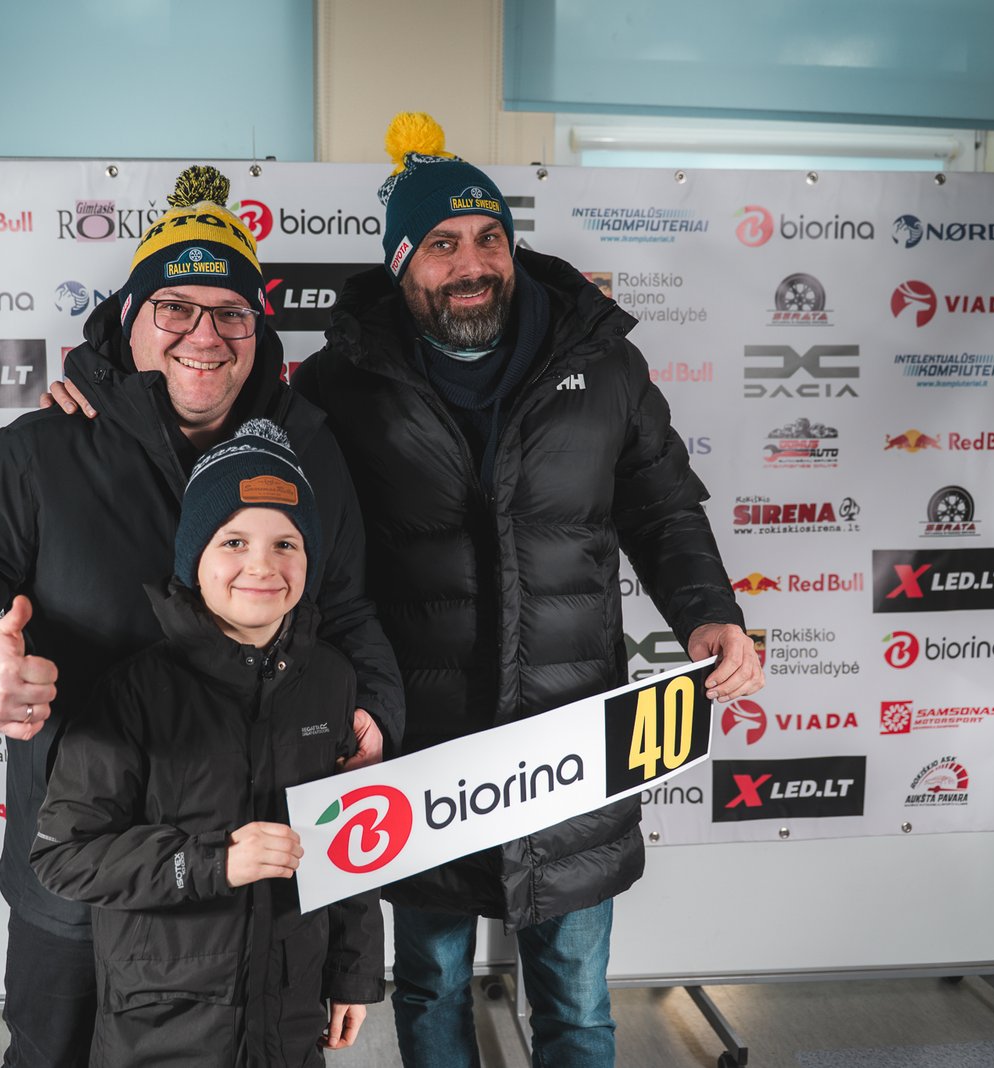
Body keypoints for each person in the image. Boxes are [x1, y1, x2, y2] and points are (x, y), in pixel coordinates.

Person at [0, 165, 403, 1068]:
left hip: (254, 881)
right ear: (129, 318)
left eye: (230, 312)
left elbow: (345, 609)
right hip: (84, 883)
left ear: (258, 330)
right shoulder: (42, 452)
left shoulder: (308, 448)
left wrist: (374, 707)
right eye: (174, 308)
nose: (204, 335)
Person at [289, 113, 765, 1066]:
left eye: (489, 238)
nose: (472, 264)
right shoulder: (340, 384)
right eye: (442, 244)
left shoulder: (602, 360)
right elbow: (312, 556)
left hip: (571, 739)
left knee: (578, 1001)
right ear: (400, 262)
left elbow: (664, 507)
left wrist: (710, 613)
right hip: (424, 751)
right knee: (429, 985)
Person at [32, 419, 382, 1067]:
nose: (262, 565)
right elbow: (65, 856)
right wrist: (211, 862)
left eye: (286, 543)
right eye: (234, 541)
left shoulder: (331, 680)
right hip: (162, 1029)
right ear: (194, 556)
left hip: (289, 1014)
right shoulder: (134, 691)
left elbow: (352, 840)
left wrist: (353, 973)